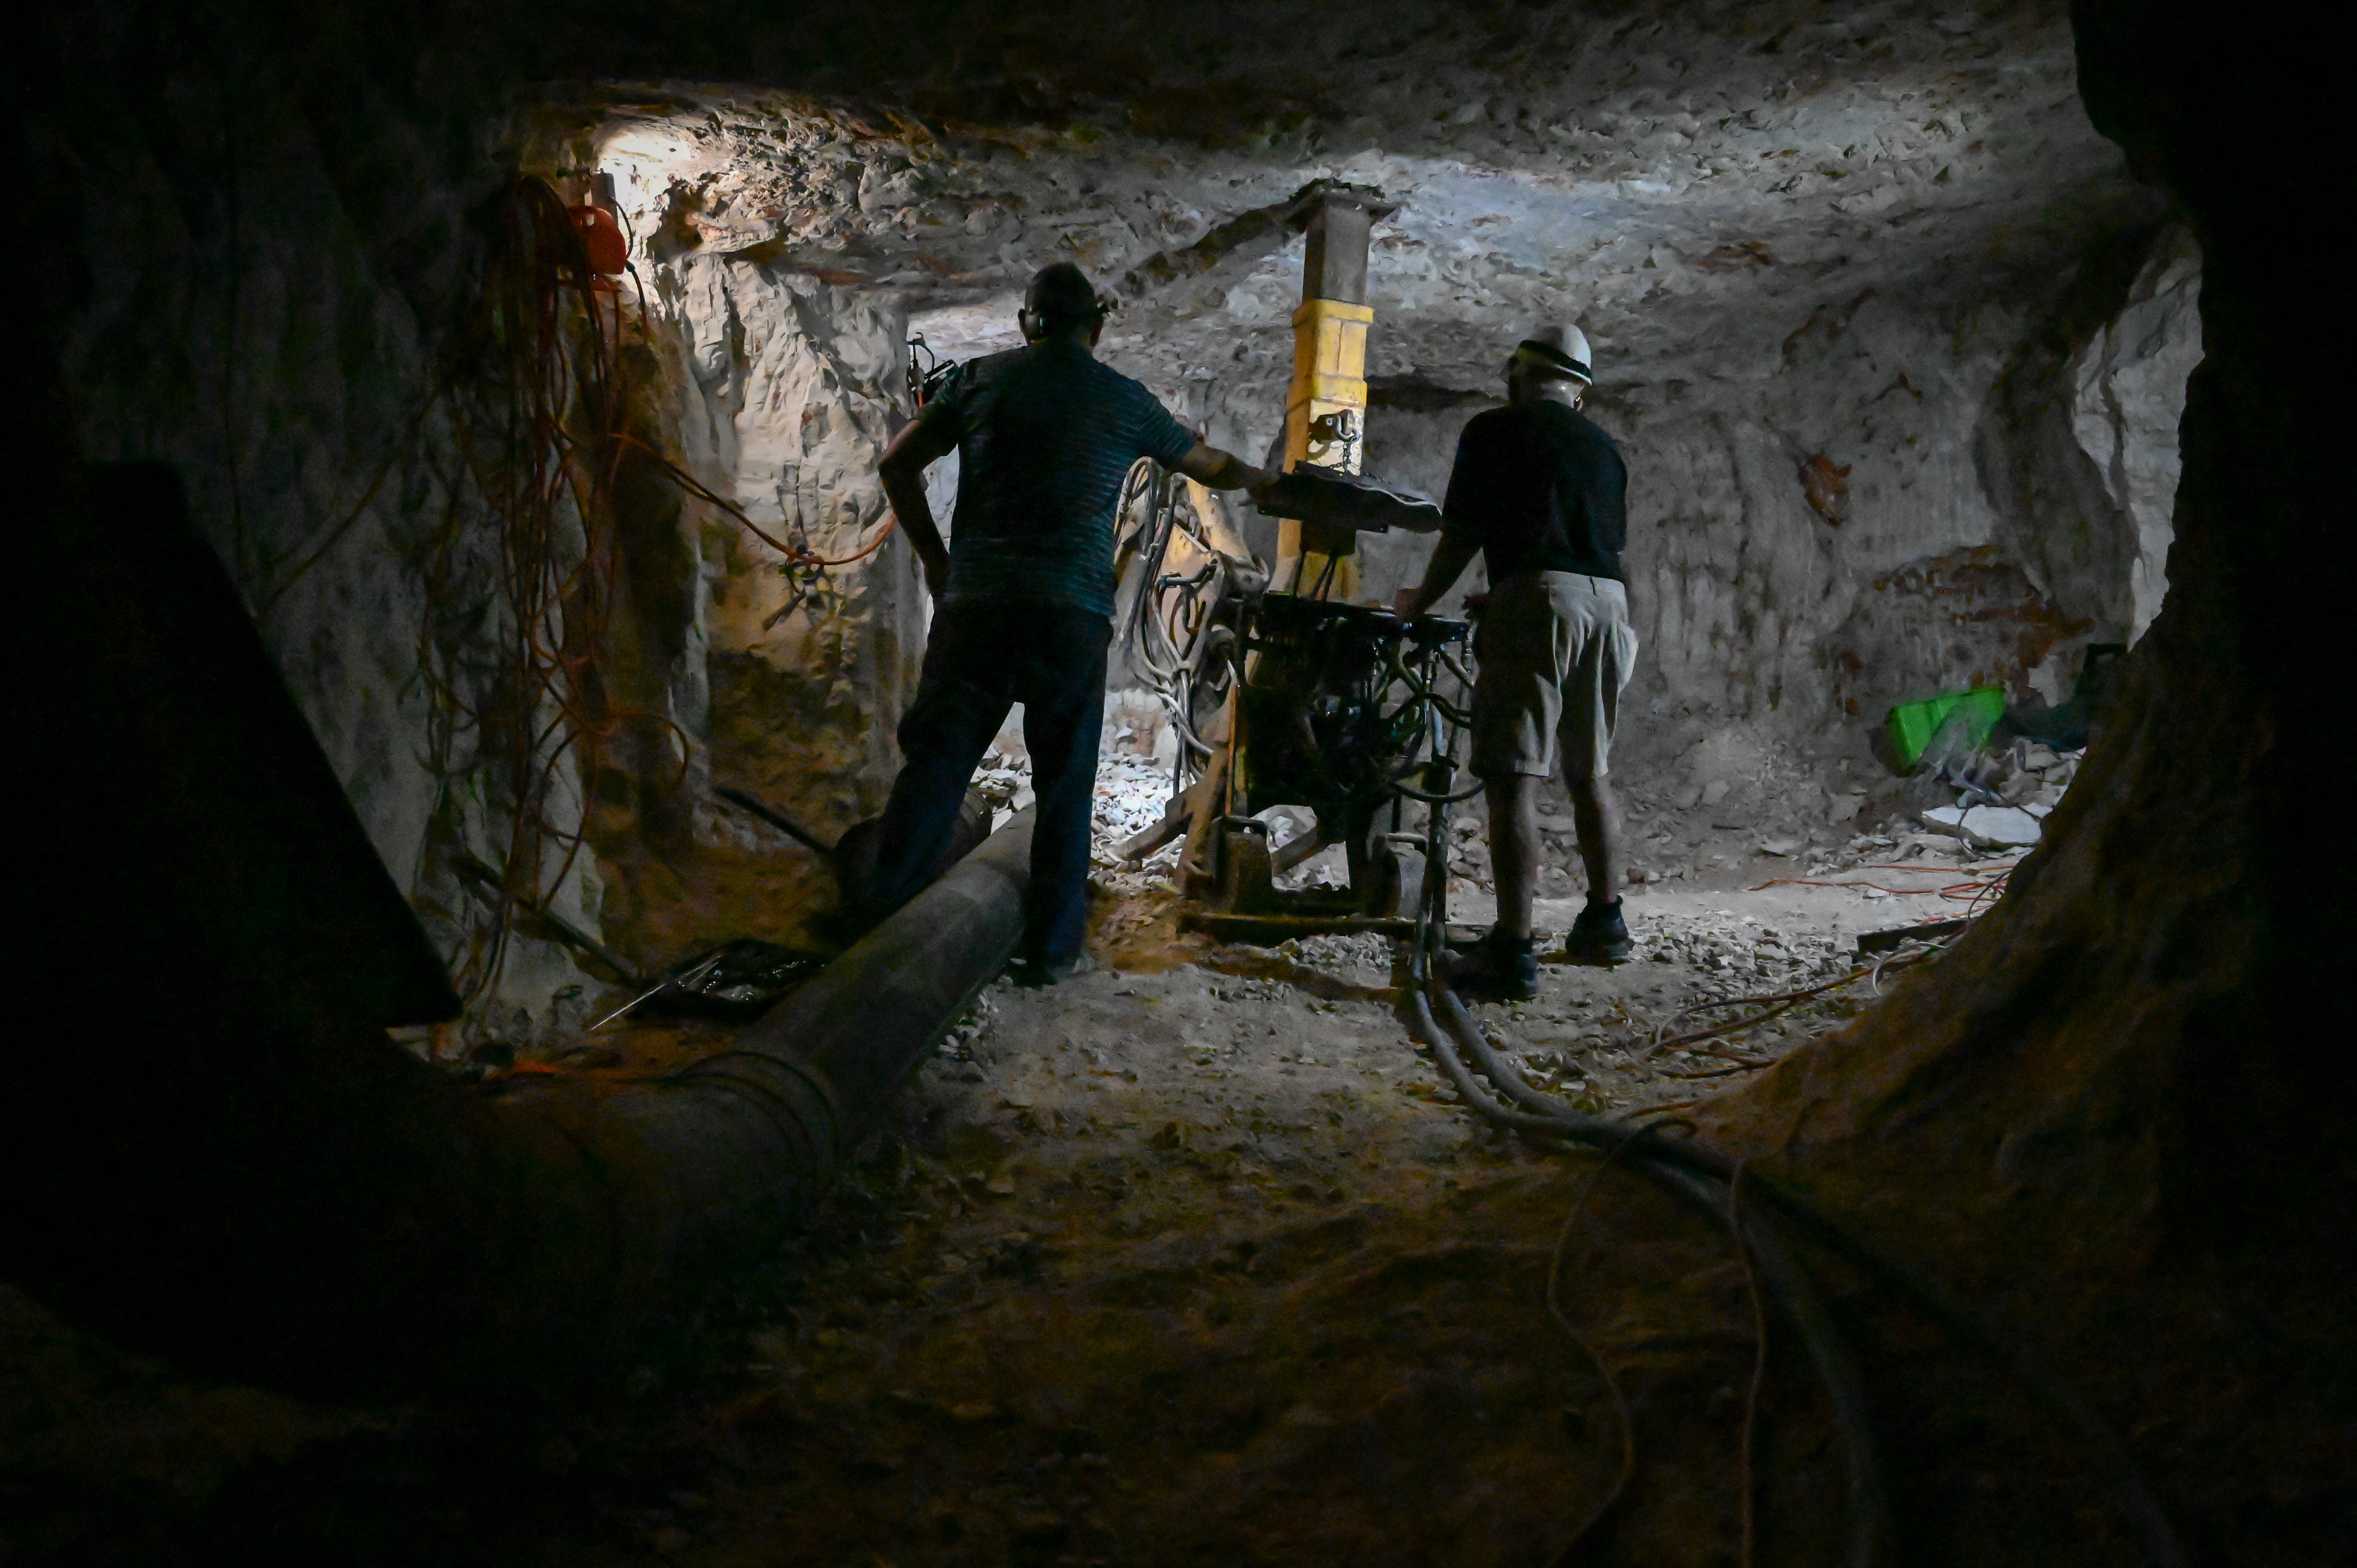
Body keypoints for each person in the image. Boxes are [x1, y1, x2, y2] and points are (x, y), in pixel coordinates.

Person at [857, 262, 1274, 982]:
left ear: (1028, 323)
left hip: (979, 609)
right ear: (1098, 328)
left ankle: (870, 935)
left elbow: (897, 463)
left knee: (936, 770)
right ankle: (1051, 954)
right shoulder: (1126, 401)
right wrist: (1269, 481)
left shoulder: (980, 380)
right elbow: (1210, 464)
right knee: (1064, 788)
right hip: (1069, 616)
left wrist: (934, 559)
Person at [1394, 323, 1637, 999]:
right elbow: (1584, 550)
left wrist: (1420, 601)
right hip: (1609, 608)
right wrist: (1509, 592)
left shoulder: (1494, 430)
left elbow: (1462, 534)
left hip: (1539, 606)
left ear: (1518, 374)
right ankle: (1606, 922)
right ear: (1580, 390)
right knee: (1592, 772)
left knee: (1513, 779)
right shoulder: (1606, 449)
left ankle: (1514, 950)